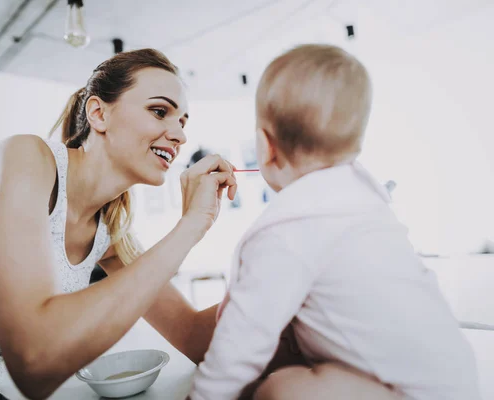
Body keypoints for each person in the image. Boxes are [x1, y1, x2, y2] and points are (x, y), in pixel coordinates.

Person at [0, 48, 239, 400]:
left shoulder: (109, 230)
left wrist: (285, 270)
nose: (179, 136)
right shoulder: (24, 159)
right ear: (98, 113)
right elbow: (35, 361)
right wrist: (190, 226)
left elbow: (195, 336)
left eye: (182, 122)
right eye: (159, 111)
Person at [188, 44, 481, 400]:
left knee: (279, 387)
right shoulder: (367, 203)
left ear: (266, 147)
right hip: (458, 381)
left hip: (407, 394)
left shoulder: (285, 229)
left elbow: (240, 345)